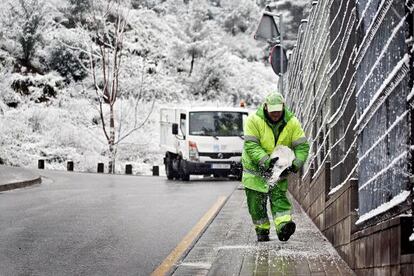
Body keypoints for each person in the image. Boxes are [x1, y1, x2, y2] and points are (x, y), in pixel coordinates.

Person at [241, 91, 309, 242]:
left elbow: (302, 146)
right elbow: (251, 146)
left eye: (278, 110)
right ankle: (262, 231)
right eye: (273, 111)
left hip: (278, 171)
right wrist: (266, 161)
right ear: (265, 107)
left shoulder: (292, 123)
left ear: (284, 107)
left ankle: (284, 227)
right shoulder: (254, 120)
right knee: (256, 205)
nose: (276, 114)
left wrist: (296, 164)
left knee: (279, 200)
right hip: (255, 172)